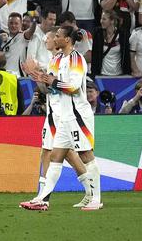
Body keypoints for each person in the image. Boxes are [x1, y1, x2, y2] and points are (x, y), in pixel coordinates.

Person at [20, 25, 101, 211]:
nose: (54, 38)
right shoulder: (56, 59)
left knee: (85, 155)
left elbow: (73, 87)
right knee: (55, 156)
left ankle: (96, 198)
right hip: (63, 116)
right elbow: (50, 85)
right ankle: (42, 199)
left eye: (57, 36)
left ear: (67, 40)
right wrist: (35, 75)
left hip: (78, 115)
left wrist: (52, 81)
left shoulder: (77, 60)